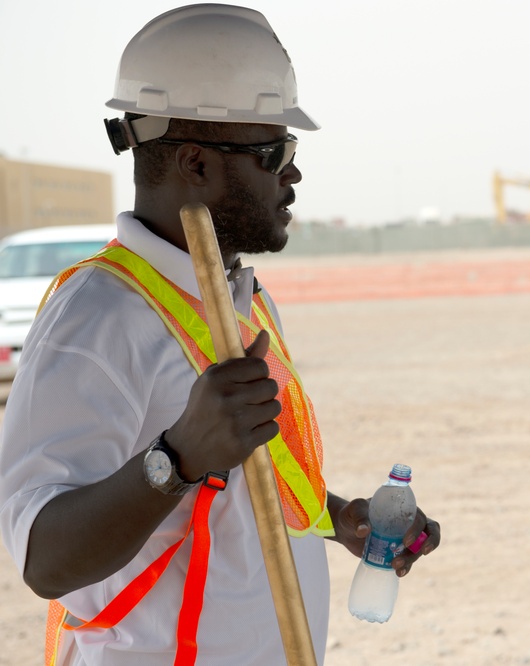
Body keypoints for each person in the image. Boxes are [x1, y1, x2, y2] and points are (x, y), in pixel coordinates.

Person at [0, 5, 439, 665]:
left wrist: (338, 516)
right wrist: (175, 459)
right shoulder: (100, 317)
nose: (292, 174)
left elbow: (253, 472)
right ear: (197, 164)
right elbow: (46, 559)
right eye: (274, 152)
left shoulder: (239, 298)